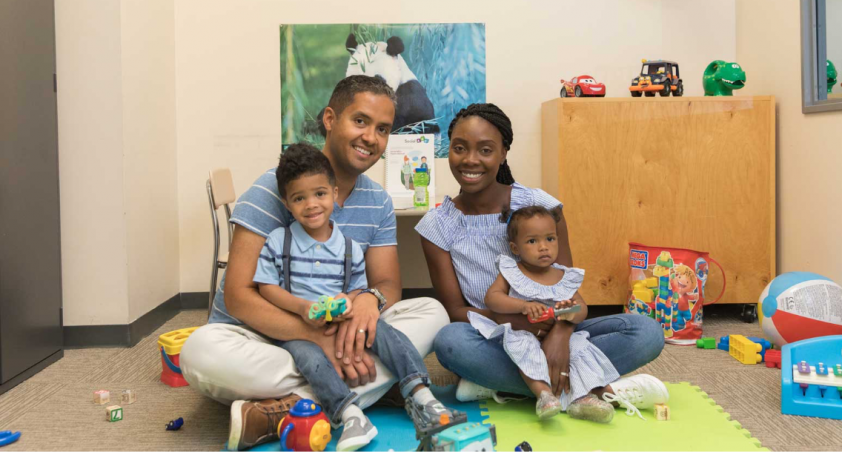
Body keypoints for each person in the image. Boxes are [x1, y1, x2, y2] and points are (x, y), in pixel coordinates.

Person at [180, 75, 449, 451]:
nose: (371, 137)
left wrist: (369, 300)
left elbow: (387, 284)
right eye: (360, 121)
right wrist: (312, 335)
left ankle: (284, 409)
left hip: (339, 331)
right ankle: (371, 387)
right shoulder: (269, 191)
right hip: (264, 336)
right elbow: (239, 297)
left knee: (432, 312)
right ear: (329, 119)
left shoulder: (378, 202)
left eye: (383, 129)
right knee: (199, 351)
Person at [415, 103, 666, 420]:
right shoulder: (437, 225)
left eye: (486, 150)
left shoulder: (541, 207)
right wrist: (518, 322)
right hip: (497, 335)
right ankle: (594, 390)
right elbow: (456, 311)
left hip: (561, 325)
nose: (470, 160)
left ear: (504, 153)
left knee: (646, 331)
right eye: (459, 148)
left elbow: (567, 287)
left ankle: (501, 387)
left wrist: (559, 336)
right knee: (450, 343)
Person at [255, 144, 454, 451]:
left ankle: (421, 396)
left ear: (334, 193)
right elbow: (267, 288)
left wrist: (350, 304)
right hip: (300, 330)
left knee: (387, 332)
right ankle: (350, 415)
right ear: (287, 203)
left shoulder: (348, 247)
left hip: (342, 323)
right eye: (299, 198)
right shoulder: (279, 240)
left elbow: (359, 292)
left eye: (319, 194)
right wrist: (302, 308)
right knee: (308, 358)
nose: (311, 205)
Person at [474, 205, 626, 422]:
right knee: (524, 349)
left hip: (560, 338)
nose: (543, 247)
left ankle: (582, 397)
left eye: (550, 239)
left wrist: (567, 312)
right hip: (524, 334)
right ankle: (544, 395)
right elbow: (492, 298)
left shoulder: (564, 275)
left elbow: (582, 308)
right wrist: (522, 306)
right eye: (532, 241)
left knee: (580, 348)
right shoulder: (512, 271)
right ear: (515, 248)